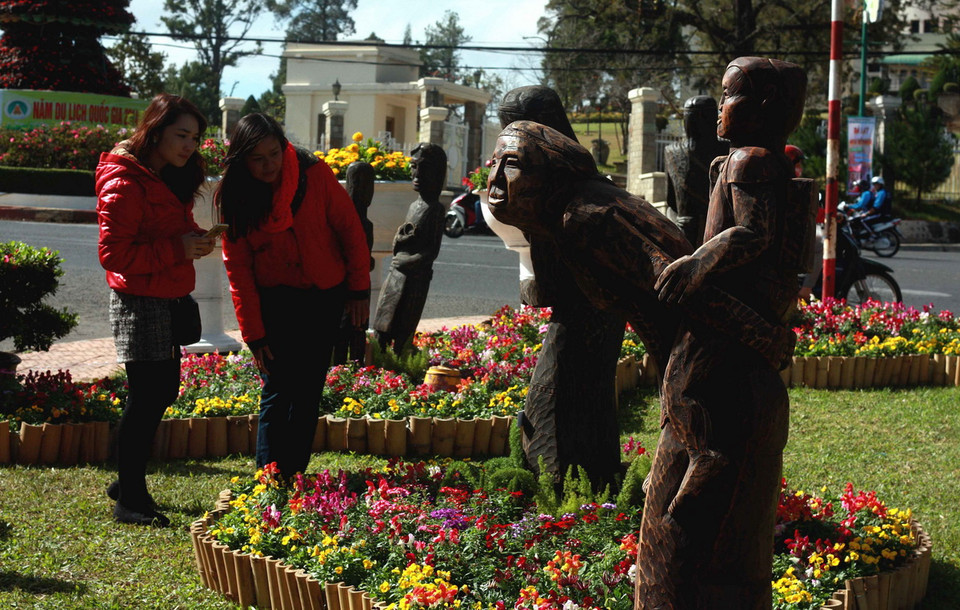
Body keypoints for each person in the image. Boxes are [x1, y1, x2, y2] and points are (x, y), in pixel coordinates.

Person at [647, 56, 810, 608]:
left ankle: (697, 483)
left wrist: (697, 264)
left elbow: (754, 233)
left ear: (762, 107)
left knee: (688, 396)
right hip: (734, 323)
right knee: (682, 393)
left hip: (723, 320)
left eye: (728, 95)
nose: (719, 106)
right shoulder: (751, 160)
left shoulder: (750, 160)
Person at [217, 113, 371, 480]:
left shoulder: (313, 173)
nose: (269, 164)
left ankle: (294, 475)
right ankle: (268, 479)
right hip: (275, 301)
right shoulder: (237, 198)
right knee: (277, 389)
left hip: (323, 296)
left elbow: (350, 230)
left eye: (274, 153)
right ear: (242, 160)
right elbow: (238, 272)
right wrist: (253, 334)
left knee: (307, 391)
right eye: (258, 158)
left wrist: (359, 289)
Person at [496, 85, 627, 488]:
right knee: (588, 396)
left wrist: (533, 290)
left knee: (552, 399)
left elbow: (557, 285)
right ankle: (593, 478)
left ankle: (559, 487)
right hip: (596, 314)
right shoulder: (571, 182)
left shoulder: (561, 193)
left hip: (584, 316)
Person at [96, 93, 216, 527]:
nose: (190, 145)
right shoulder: (125, 181)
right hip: (139, 301)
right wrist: (177, 249)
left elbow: (169, 226)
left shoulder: (165, 174)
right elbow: (114, 255)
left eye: (196, 138)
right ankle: (130, 500)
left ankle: (125, 481)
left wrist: (195, 238)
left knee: (161, 392)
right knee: (147, 397)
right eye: (181, 135)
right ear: (156, 131)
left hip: (166, 296)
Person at [372, 143, 447, 352]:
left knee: (403, 327)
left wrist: (409, 260)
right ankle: (376, 368)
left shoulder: (435, 209)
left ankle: (396, 370)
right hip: (396, 275)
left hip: (415, 280)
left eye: (425, 168)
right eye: (414, 166)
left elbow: (431, 251)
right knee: (383, 324)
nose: (418, 173)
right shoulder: (414, 206)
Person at [665, 96, 730, 246]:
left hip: (685, 233)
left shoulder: (671, 152)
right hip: (719, 232)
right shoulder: (727, 149)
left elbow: (671, 201)